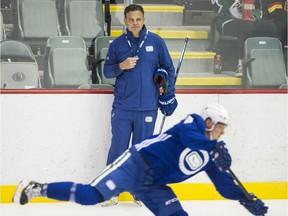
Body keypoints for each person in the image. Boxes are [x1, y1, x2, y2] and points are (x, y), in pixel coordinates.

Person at [13, 103, 268, 216]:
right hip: (135, 165)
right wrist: (216, 146)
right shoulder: (192, 123)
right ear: (210, 121)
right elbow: (191, 140)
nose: (223, 132)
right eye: (221, 126)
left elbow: (222, 183)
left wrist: (244, 198)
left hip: (154, 184)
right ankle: (38, 188)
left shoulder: (210, 150)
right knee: (92, 196)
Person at [101, 4, 177, 205]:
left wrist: (167, 96)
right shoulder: (117, 44)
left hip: (147, 107)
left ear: (143, 20)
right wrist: (121, 66)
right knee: (118, 149)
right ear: (125, 21)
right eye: (131, 20)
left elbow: (169, 69)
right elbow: (107, 72)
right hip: (123, 108)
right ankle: (110, 191)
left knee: (142, 152)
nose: (135, 23)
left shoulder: (156, 42)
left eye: (138, 19)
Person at [211, 0, 277, 77]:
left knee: (270, 26)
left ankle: (270, 65)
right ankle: (241, 65)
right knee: (247, 27)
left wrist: (254, 16)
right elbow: (217, 8)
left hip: (250, 22)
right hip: (228, 21)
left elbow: (258, 10)